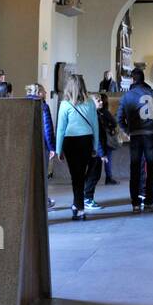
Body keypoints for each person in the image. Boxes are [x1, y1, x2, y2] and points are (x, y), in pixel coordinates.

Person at [118, 67, 153, 212]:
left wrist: (127, 130)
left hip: (135, 137)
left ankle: (135, 203)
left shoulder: (127, 96)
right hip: (150, 135)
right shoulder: (152, 93)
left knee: (135, 169)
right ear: (143, 78)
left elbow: (119, 118)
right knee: (151, 169)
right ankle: (148, 201)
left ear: (133, 80)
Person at [56, 74, 104, 220]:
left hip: (70, 142)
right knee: (81, 175)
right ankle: (78, 206)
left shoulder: (64, 104)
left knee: (76, 176)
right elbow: (95, 126)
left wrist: (58, 149)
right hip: (86, 141)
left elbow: (60, 129)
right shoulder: (89, 103)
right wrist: (95, 146)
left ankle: (79, 207)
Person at [25, 83, 57, 210]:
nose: (45, 94)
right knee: (41, 175)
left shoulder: (22, 105)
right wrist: (52, 148)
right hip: (41, 145)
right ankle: (44, 201)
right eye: (43, 91)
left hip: (27, 145)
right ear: (38, 93)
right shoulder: (43, 106)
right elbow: (47, 129)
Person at [96, 93, 119, 184]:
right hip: (106, 138)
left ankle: (93, 178)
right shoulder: (105, 112)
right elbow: (114, 123)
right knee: (107, 159)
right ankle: (108, 178)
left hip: (99, 139)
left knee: (98, 159)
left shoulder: (95, 112)